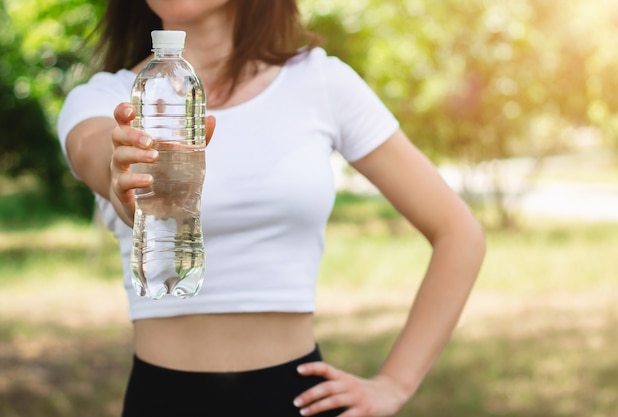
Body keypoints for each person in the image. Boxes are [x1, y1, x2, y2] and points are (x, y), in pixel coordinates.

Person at [57, 1, 486, 416]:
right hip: (162, 399)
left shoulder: (321, 82)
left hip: (295, 399)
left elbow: (459, 233)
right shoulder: (107, 98)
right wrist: (124, 183)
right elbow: (94, 151)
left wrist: (395, 383)